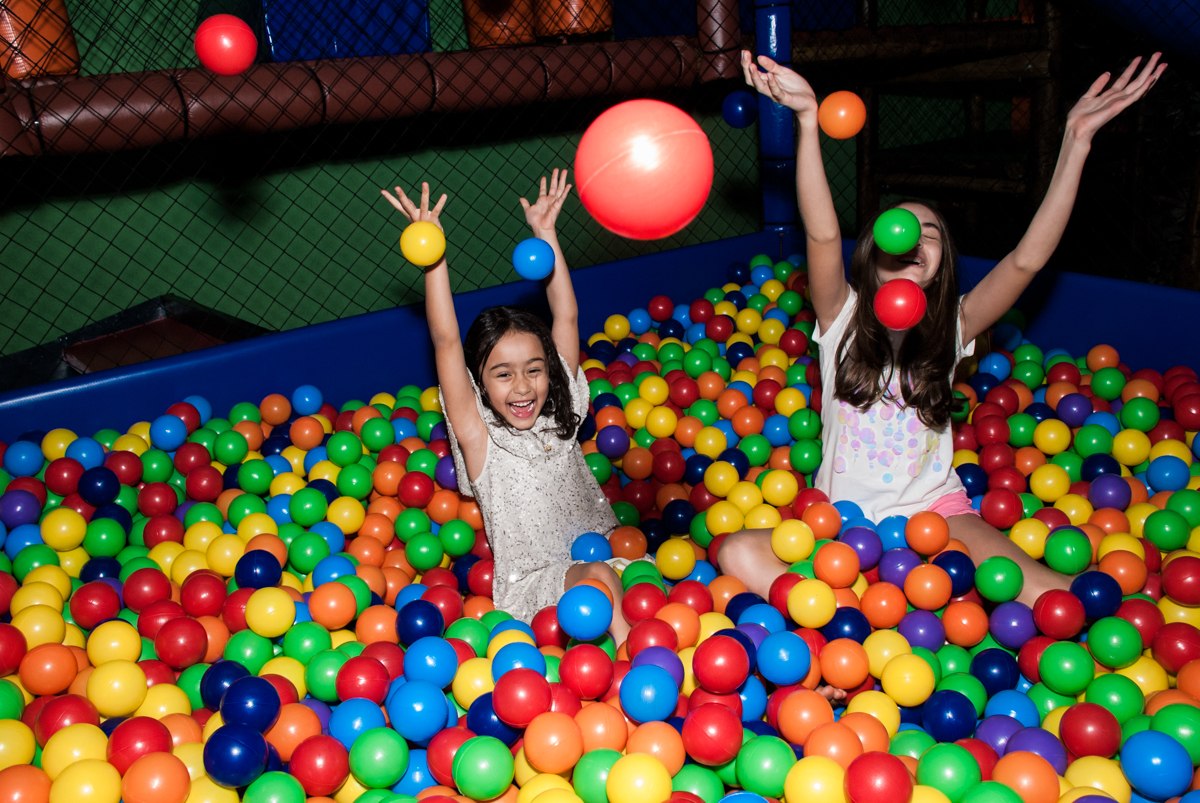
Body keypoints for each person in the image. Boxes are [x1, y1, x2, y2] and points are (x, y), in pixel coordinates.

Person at [719, 51, 1166, 608]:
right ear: (873, 252)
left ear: (943, 263)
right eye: (899, 228)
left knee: (1053, 599)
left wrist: (1075, 141)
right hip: (842, 527)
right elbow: (824, 234)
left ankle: (878, 614)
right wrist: (808, 120)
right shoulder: (840, 321)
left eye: (929, 232)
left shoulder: (953, 327)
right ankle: (852, 627)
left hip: (937, 515)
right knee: (736, 551)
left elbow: (1026, 261)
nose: (911, 238)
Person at [382, 170, 631, 643]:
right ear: (479, 383)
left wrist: (547, 235)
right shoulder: (482, 441)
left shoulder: (559, 419)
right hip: (538, 589)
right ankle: (628, 664)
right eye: (502, 374)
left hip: (616, 556)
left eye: (534, 369)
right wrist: (432, 256)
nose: (523, 386)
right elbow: (446, 339)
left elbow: (568, 315)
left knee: (609, 576)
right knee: (595, 584)